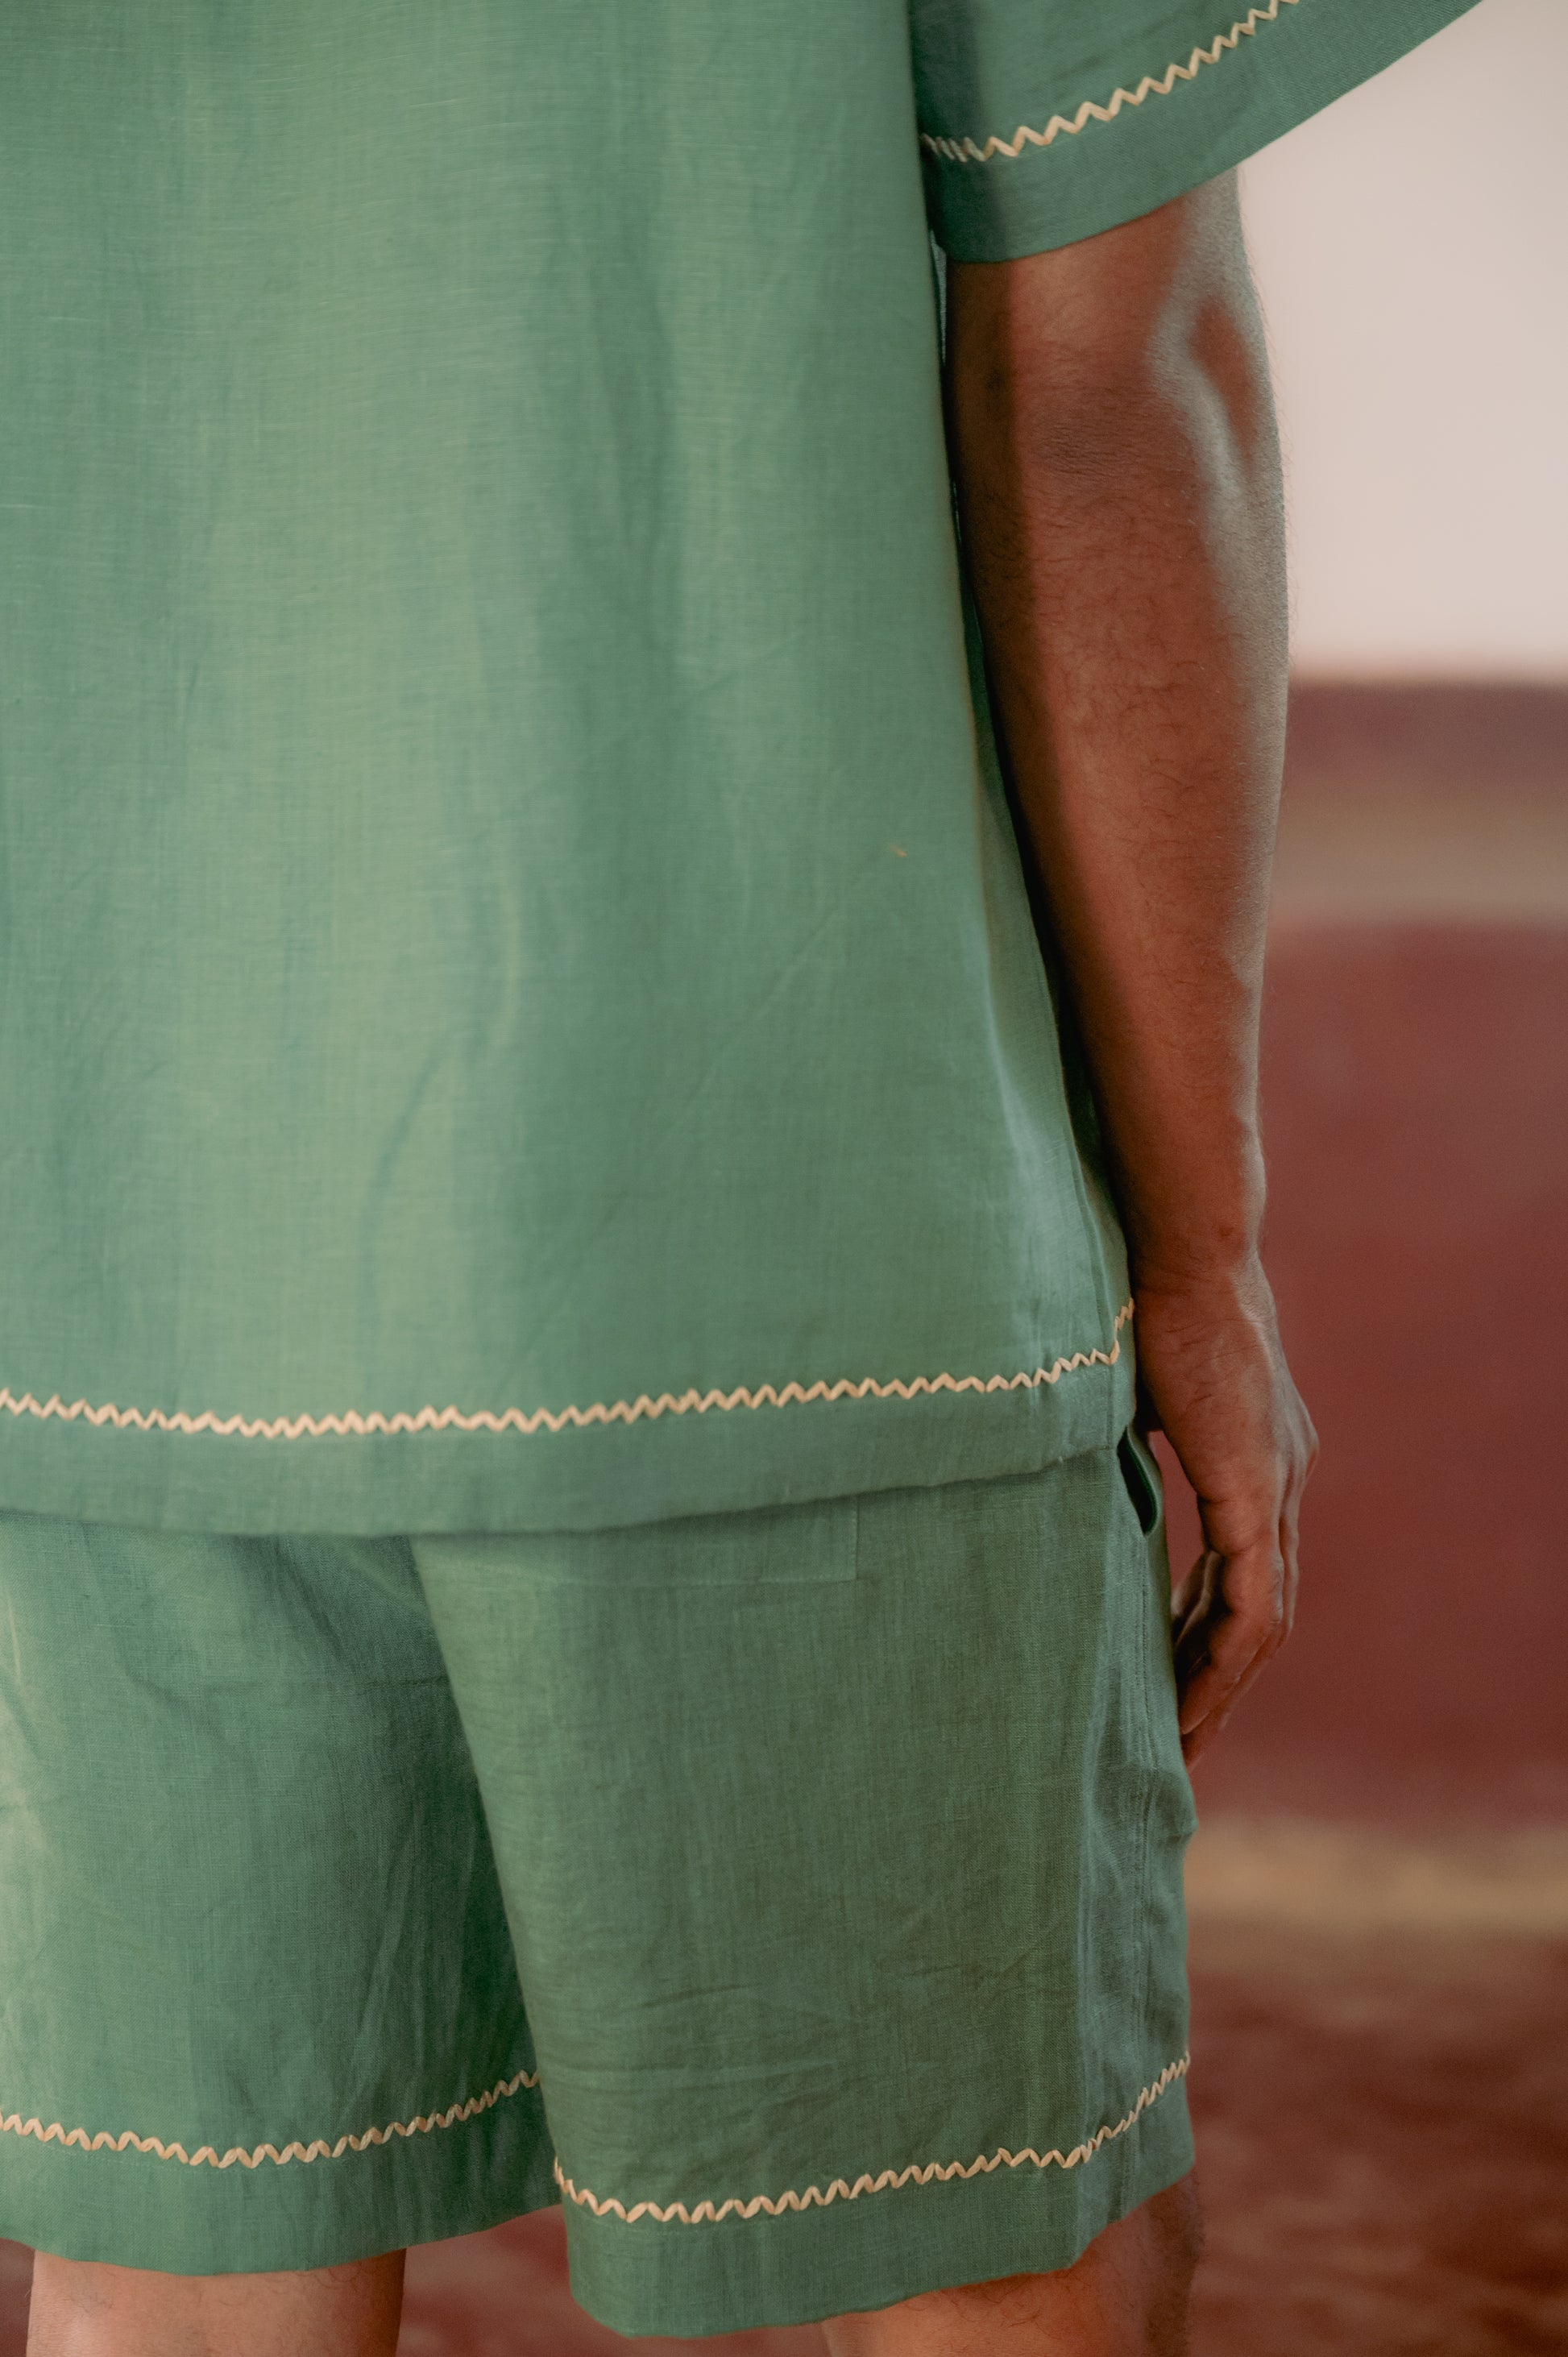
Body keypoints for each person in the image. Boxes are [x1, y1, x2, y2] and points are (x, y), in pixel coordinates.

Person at [0, 2, 1475, 2350]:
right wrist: (1193, 1252)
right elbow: (1102, 392)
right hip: (809, 1208)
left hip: (99, 1224)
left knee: (179, 2273)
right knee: (997, 2245)